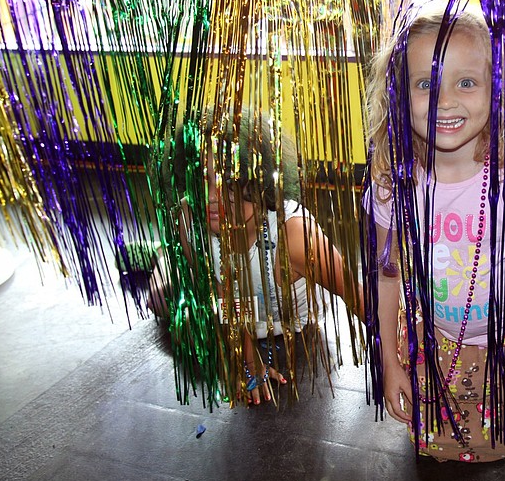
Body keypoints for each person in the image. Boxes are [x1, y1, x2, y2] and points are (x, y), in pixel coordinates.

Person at [363, 5, 505, 462]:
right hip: (439, 340)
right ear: (399, 94)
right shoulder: (392, 183)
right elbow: (386, 278)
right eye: (426, 84)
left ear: (496, 90)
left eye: (466, 82)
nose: (445, 101)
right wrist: (389, 362)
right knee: (440, 443)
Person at [150, 112, 363, 406]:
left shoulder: (295, 236)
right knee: (159, 299)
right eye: (202, 180)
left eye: (227, 181)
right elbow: (220, 295)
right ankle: (163, 258)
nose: (212, 196)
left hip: (292, 322)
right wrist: (249, 362)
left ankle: (163, 256)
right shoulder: (189, 216)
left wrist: (401, 360)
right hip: (234, 303)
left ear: (257, 181)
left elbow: (358, 297)